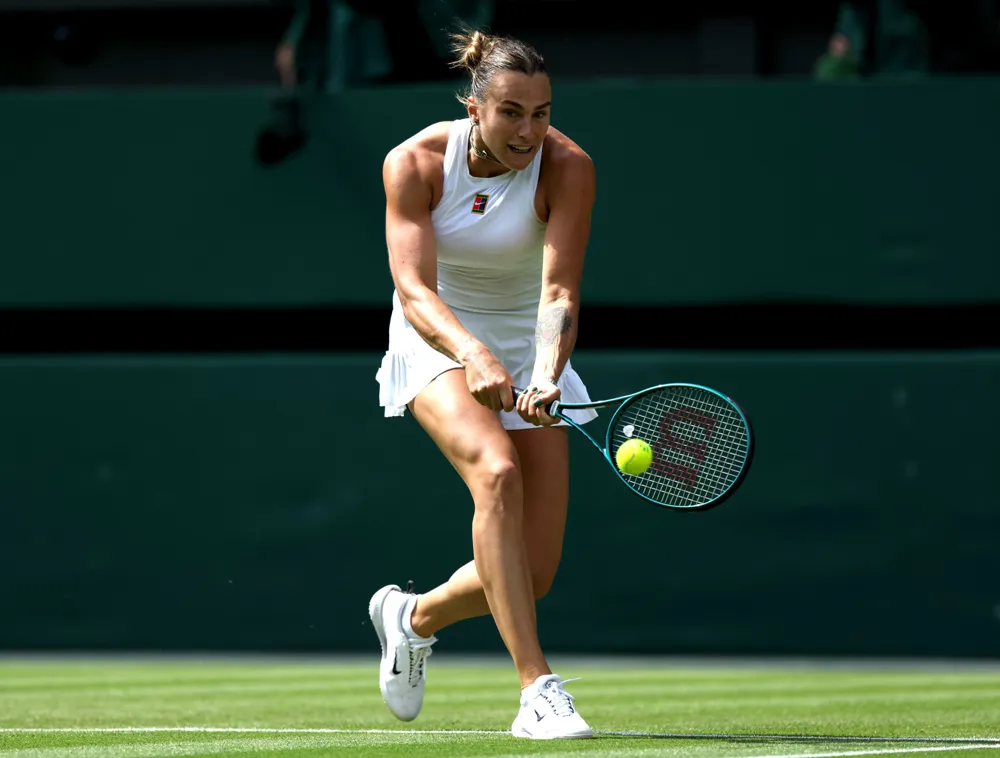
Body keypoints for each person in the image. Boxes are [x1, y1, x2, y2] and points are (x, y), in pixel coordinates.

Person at [369, 28, 599, 740]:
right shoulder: (414, 163)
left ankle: (412, 617)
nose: (529, 129)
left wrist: (544, 373)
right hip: (434, 337)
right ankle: (537, 690)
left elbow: (559, 291)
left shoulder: (569, 168)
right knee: (496, 473)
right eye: (510, 112)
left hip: (524, 347)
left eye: (542, 112)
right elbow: (412, 291)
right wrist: (472, 353)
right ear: (474, 106)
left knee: (530, 577)